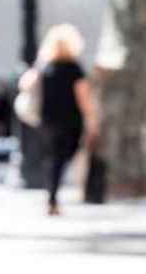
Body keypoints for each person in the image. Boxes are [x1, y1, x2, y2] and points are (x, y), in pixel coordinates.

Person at [21, 24, 98, 215]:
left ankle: (51, 196)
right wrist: (91, 119)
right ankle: (52, 197)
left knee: (53, 157)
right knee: (63, 156)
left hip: (46, 119)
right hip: (70, 120)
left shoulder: (45, 67)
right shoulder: (74, 69)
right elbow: (83, 97)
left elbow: (25, 84)